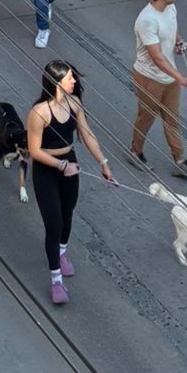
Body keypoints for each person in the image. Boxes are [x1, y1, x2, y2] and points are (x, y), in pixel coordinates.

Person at [26, 60, 113, 304]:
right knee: (54, 223)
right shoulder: (39, 112)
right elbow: (34, 151)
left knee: (67, 213)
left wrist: (103, 162)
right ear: (56, 83)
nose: (74, 81)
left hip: (69, 161)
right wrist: (62, 166)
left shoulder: (75, 103)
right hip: (47, 169)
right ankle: (56, 281)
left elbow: (87, 134)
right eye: (70, 78)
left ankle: (62, 252)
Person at [127, 0, 187, 178]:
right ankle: (135, 151)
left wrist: (179, 41)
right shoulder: (146, 21)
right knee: (146, 117)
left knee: (172, 118)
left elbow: (173, 28)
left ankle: (179, 160)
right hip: (149, 78)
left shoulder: (170, 8)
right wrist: (181, 78)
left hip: (168, 77)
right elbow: (157, 58)